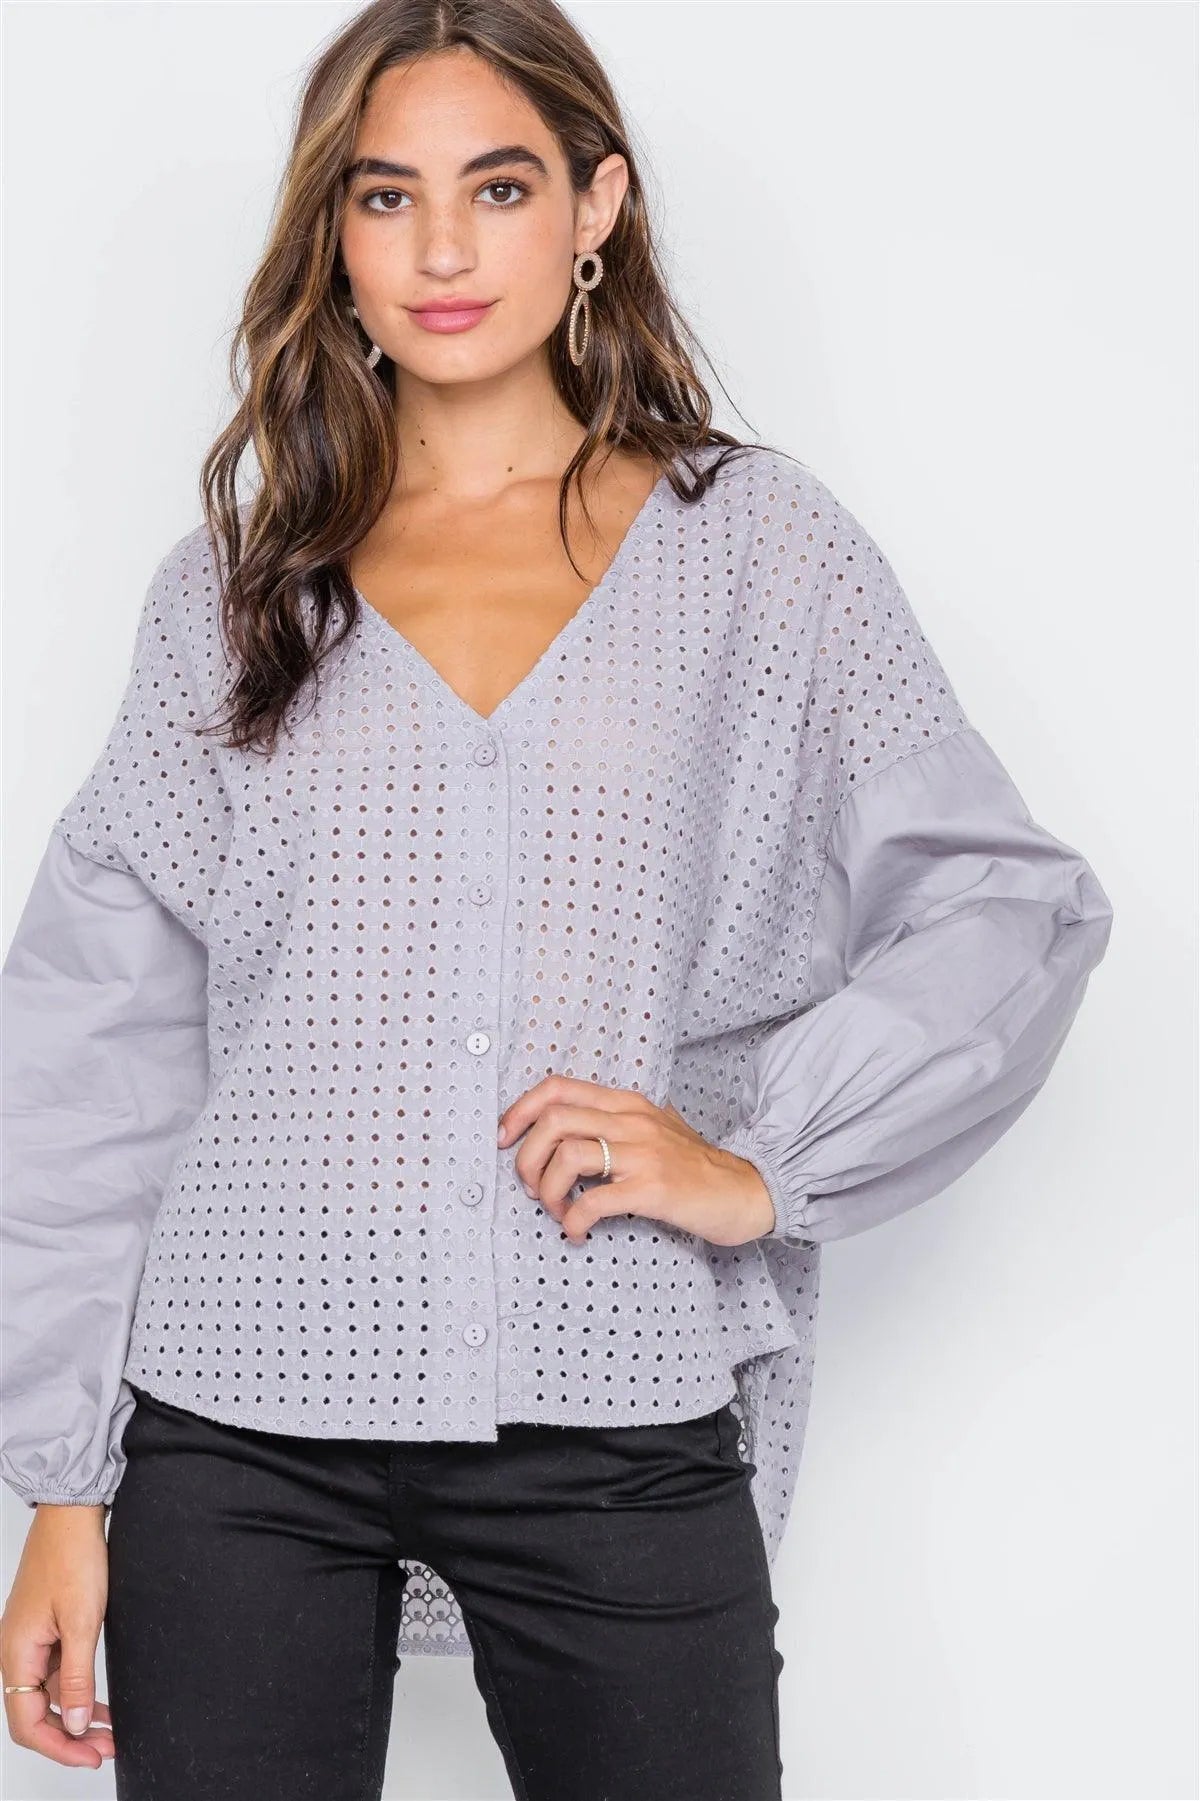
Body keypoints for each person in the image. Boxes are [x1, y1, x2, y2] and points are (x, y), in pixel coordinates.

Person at [0, 2, 1115, 1797]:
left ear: (596, 205)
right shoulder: (236, 589)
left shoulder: (758, 551)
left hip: (615, 1401)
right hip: (231, 1426)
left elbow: (1005, 908)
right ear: (333, 232)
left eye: (500, 186)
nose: (441, 249)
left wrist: (757, 1161)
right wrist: (62, 1487)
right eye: (386, 196)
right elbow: (92, 1043)